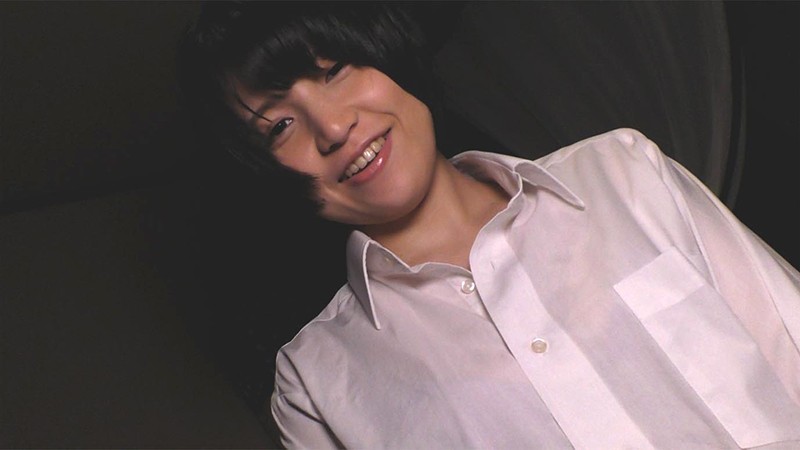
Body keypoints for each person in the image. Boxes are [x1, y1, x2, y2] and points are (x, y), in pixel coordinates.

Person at [177, 2, 800, 448]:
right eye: (279, 126)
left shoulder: (624, 172)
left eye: (333, 69)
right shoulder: (315, 384)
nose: (334, 126)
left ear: (386, 50)